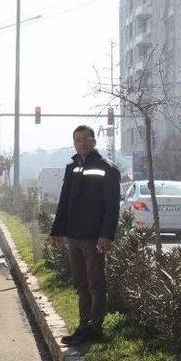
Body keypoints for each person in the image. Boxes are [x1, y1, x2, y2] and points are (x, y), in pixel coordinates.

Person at [50, 125, 121, 346]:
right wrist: (57, 229)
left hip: (94, 237)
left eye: (84, 139)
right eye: (76, 140)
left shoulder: (106, 168)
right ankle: (83, 327)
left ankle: (95, 329)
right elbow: (64, 201)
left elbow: (112, 207)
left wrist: (106, 235)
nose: (80, 143)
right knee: (80, 283)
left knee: (95, 283)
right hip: (74, 236)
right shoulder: (72, 167)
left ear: (94, 141)